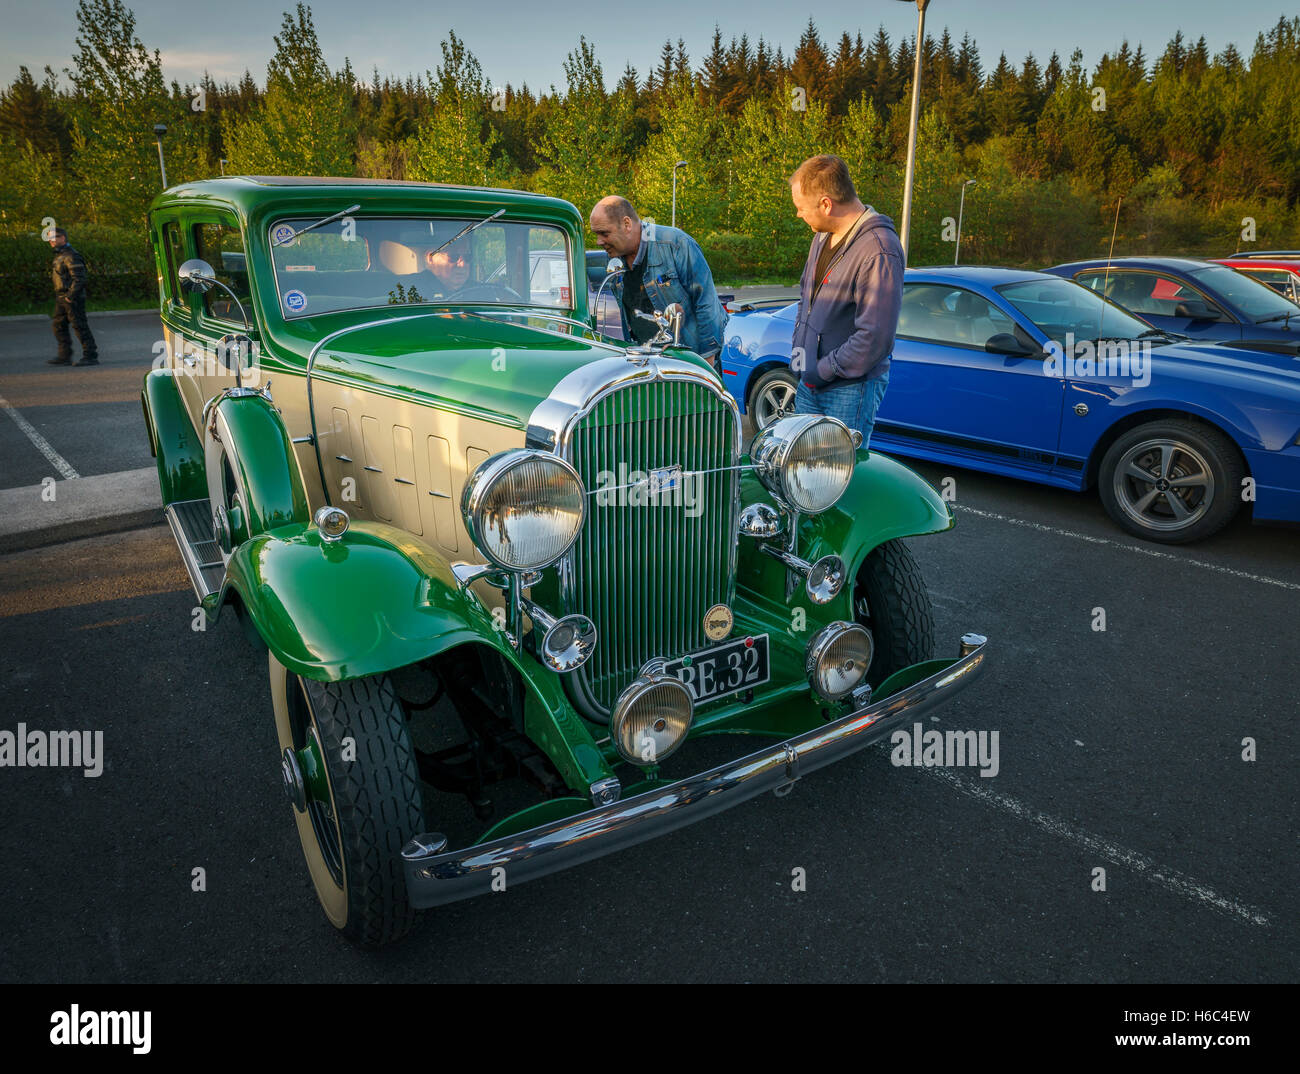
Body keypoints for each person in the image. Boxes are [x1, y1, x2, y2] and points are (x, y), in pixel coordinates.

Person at [788, 155, 903, 449]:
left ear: (826, 204)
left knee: (837, 483)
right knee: (803, 477)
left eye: (801, 208)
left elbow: (874, 338)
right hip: (810, 383)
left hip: (848, 391)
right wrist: (801, 356)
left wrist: (822, 369)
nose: (798, 215)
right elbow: (806, 298)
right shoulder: (822, 236)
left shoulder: (879, 250)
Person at [589, 196, 727, 359]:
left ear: (627, 224)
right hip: (648, 361)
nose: (599, 241)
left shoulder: (675, 244)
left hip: (690, 361)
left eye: (604, 233)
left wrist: (706, 361)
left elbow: (707, 303)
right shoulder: (615, 259)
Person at [47, 228, 99, 366]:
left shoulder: (71, 255)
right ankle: (64, 356)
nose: (51, 241)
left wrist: (70, 296)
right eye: (49, 238)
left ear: (63, 238)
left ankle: (91, 355)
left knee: (79, 325)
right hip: (61, 297)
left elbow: (80, 278)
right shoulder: (60, 255)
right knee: (58, 325)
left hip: (72, 297)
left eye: (54, 237)